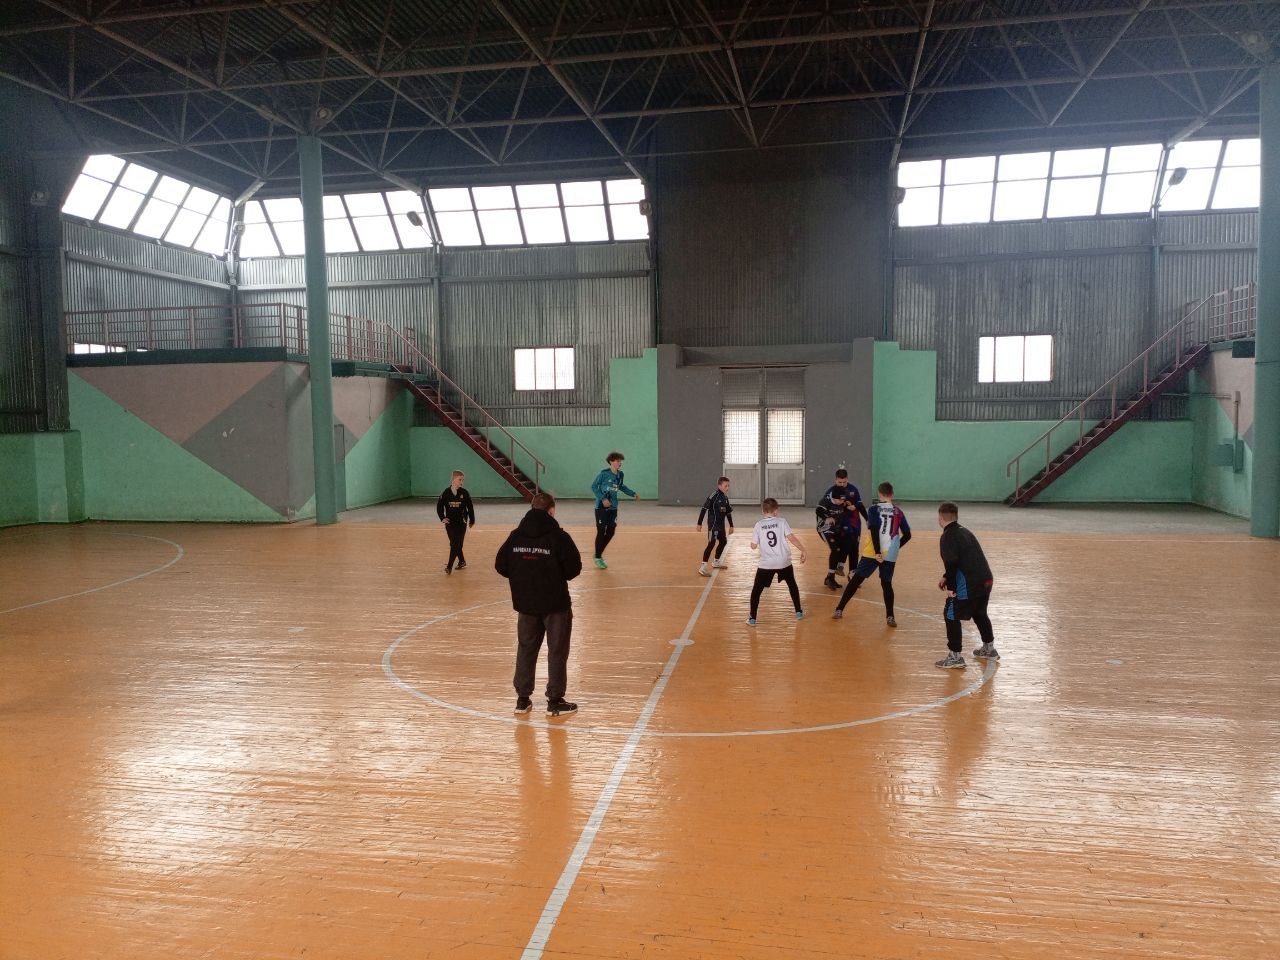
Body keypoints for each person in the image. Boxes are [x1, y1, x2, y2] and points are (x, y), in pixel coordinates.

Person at [495, 492, 583, 716]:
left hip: (526, 605)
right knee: (557, 651)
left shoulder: (516, 536)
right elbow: (574, 569)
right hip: (556, 606)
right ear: (551, 511)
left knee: (526, 649)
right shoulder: (559, 537)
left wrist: (523, 575)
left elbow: (501, 564)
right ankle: (555, 701)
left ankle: (522, 700)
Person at [832, 481, 912, 626]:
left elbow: (874, 530)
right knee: (886, 584)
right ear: (892, 494)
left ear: (879, 494)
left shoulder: (874, 509)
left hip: (872, 552)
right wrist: (895, 548)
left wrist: (877, 552)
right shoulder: (898, 512)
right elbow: (907, 535)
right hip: (890, 553)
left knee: (856, 580)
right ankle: (890, 617)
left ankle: (839, 609)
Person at [935, 501, 999, 669]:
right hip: (985, 580)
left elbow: (951, 561)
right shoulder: (965, 532)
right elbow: (966, 557)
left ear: (940, 518)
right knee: (979, 612)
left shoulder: (947, 536)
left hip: (969, 583)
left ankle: (955, 656)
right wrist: (945, 577)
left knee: (951, 613)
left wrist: (951, 588)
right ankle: (989, 648)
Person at [747, 498, 807, 625]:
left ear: (763, 511)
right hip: (784, 561)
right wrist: (803, 550)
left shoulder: (758, 525)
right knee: (792, 585)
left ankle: (752, 618)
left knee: (756, 590)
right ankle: (798, 612)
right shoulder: (782, 522)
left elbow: (753, 546)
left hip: (766, 564)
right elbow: (791, 538)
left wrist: (755, 542)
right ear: (776, 511)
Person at [818, 468, 867, 587]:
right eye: (839, 482)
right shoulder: (829, 493)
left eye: (844, 482)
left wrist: (867, 519)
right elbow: (821, 509)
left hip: (854, 522)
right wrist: (827, 518)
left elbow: (858, 505)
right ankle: (837, 569)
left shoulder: (853, 490)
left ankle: (852, 575)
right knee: (839, 548)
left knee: (854, 547)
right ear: (835, 480)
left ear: (847, 480)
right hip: (838, 524)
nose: (842, 484)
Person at [590, 451, 638, 569]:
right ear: (611, 461)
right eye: (617, 461)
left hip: (613, 508)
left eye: (620, 461)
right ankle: (598, 556)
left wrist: (633, 494)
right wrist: (602, 499)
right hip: (601, 507)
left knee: (611, 532)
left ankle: (598, 553)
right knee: (601, 531)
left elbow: (621, 486)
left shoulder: (620, 474)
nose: (620, 463)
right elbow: (593, 486)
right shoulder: (603, 474)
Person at [436, 470, 475, 574]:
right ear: (453, 479)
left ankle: (449, 567)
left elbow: (470, 507)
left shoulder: (464, 493)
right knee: (455, 544)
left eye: (463, 480)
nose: (462, 482)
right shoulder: (446, 492)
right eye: (460, 479)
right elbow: (439, 506)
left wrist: (472, 520)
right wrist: (442, 517)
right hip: (450, 523)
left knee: (455, 544)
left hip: (461, 522)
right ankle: (462, 561)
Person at [696, 476, 735, 576]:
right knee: (711, 544)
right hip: (713, 525)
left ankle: (716, 562)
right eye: (726, 486)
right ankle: (703, 567)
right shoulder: (713, 495)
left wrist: (731, 525)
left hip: (721, 526)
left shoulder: (725, 498)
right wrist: (699, 523)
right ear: (720, 485)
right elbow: (704, 509)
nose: (727, 488)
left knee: (723, 541)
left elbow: (728, 512)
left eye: (728, 486)